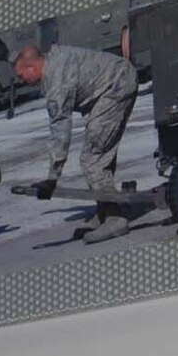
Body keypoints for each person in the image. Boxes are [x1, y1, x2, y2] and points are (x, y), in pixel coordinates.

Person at [12, 43, 139, 243]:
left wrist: (52, 178)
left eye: (21, 76)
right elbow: (27, 56)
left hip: (116, 87)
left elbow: (60, 130)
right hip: (118, 79)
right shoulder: (51, 60)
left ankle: (115, 218)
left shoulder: (57, 83)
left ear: (32, 68)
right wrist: (8, 56)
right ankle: (105, 210)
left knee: (92, 158)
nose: (21, 81)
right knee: (101, 150)